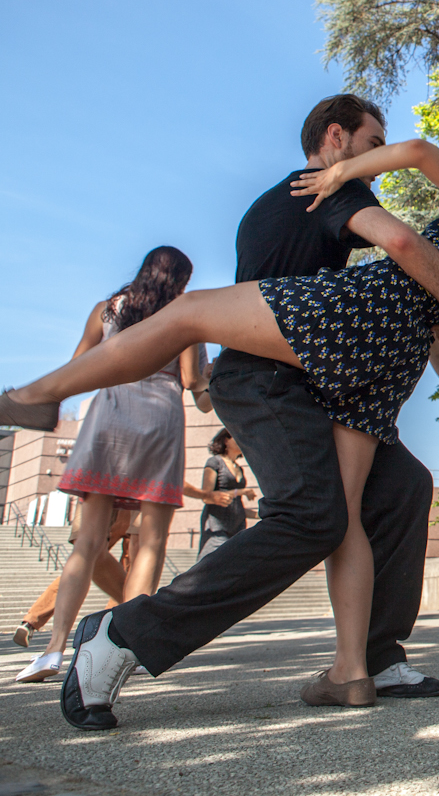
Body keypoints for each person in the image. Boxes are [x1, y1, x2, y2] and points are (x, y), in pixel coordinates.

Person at [0, 110, 439, 729]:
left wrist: (348, 172)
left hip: (354, 320)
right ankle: (355, 668)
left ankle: (41, 393)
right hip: (388, 367)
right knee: (342, 515)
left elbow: (423, 157)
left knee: (189, 314)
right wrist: (436, 321)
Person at [12, 248, 213, 687]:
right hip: (160, 415)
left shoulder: (107, 310)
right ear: (180, 279)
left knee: (87, 542)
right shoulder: (184, 312)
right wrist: (212, 383)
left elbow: (78, 367)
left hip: (110, 413)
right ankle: (122, 645)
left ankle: (53, 650)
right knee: (152, 543)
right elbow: (192, 383)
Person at [13, 506, 134, 670]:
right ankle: (110, 630)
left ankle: (35, 626)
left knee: (82, 561)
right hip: (136, 504)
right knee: (129, 568)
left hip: (107, 497)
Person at [189, 429, 257, 562]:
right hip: (217, 525)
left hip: (238, 526)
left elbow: (236, 505)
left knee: (232, 566)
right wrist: (240, 492)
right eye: (236, 436)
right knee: (208, 563)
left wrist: (263, 514)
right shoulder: (215, 462)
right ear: (226, 440)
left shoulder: (239, 469)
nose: (241, 440)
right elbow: (206, 496)